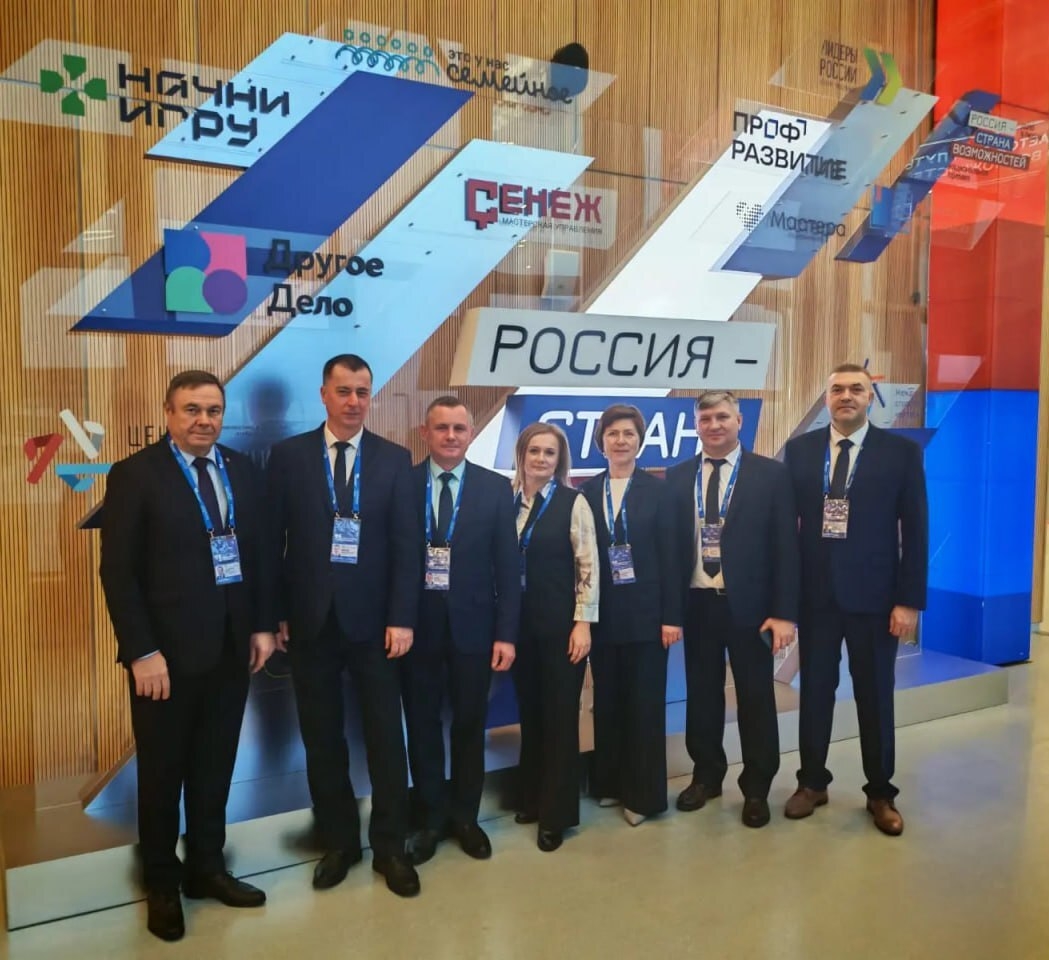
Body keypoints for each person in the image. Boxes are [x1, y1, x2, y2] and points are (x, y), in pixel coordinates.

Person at [99, 370, 276, 942]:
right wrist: (141, 652)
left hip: (230, 648)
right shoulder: (135, 474)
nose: (204, 420)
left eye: (213, 410)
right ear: (169, 414)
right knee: (161, 774)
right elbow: (118, 573)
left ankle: (206, 868)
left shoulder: (241, 470)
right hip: (165, 661)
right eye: (192, 409)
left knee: (213, 768)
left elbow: (259, 556)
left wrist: (261, 627)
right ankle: (162, 882)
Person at [266, 354, 422, 896]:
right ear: (324, 394)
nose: (354, 401)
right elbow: (270, 543)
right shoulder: (288, 457)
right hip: (310, 623)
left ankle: (390, 847)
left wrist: (402, 618)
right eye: (344, 391)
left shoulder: (394, 459)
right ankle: (339, 843)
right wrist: (276, 613)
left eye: (362, 392)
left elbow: (407, 547)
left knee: (385, 738)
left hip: (377, 627)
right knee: (322, 739)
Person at [783, 363, 928, 836]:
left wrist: (908, 601)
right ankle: (812, 783)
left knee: (875, 697)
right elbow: (786, 530)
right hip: (817, 599)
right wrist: (785, 600)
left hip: (876, 601)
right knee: (815, 694)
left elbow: (916, 530)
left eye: (856, 390)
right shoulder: (800, 451)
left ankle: (881, 793)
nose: (846, 396)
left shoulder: (900, 453)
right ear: (827, 398)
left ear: (870, 398)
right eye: (838, 390)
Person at [665, 391, 799, 828]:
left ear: (739, 421)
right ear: (696, 425)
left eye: (722, 417)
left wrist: (784, 612)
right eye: (705, 418)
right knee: (701, 695)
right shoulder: (678, 476)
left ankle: (756, 787)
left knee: (755, 697)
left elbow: (786, 547)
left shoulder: (771, 474)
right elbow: (670, 550)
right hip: (697, 604)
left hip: (752, 608)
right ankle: (706, 776)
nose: (714, 425)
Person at [402, 397, 520, 864]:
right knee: (423, 727)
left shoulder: (495, 488)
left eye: (459, 428)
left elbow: (507, 567)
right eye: (441, 428)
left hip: (476, 632)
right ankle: (431, 818)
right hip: (416, 632)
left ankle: (466, 818)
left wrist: (506, 634)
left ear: (471, 434)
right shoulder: (403, 485)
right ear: (424, 433)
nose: (451, 436)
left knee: (470, 726)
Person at [580, 405, 682, 827]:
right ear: (600, 442)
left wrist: (672, 616)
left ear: (640, 441)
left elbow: (673, 557)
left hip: (648, 617)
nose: (620, 440)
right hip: (602, 615)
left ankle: (644, 797)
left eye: (628, 433)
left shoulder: (661, 492)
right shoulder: (586, 492)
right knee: (607, 701)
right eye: (612, 433)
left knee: (644, 705)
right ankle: (610, 782)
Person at [511, 422, 599, 852]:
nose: (541, 459)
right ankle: (531, 797)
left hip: (562, 629)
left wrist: (583, 623)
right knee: (531, 717)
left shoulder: (572, 502)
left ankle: (556, 815)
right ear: (522, 455)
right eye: (534, 451)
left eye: (550, 453)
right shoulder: (508, 501)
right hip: (518, 629)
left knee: (561, 719)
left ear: (559, 460)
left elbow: (588, 566)